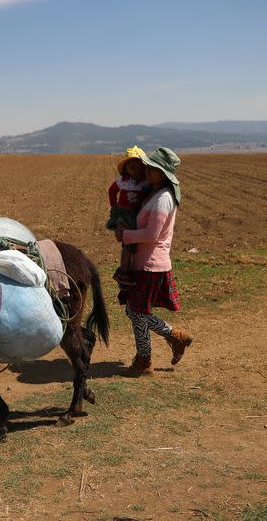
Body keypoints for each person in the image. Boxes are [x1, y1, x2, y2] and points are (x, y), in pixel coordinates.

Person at [114, 147, 194, 376]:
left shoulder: (164, 199)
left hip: (152, 264)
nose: (147, 170)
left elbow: (152, 235)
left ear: (164, 173)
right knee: (135, 311)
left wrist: (126, 235)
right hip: (144, 262)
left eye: (154, 168)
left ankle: (148, 357)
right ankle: (167, 342)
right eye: (148, 166)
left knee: (136, 311)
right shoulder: (153, 193)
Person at [105, 146, 149, 286]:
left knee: (135, 245)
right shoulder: (123, 181)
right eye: (132, 167)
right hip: (124, 215)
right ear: (126, 169)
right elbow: (112, 191)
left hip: (139, 215)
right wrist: (115, 207)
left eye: (138, 166)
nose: (135, 170)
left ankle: (131, 270)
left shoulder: (146, 183)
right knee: (127, 244)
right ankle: (124, 272)